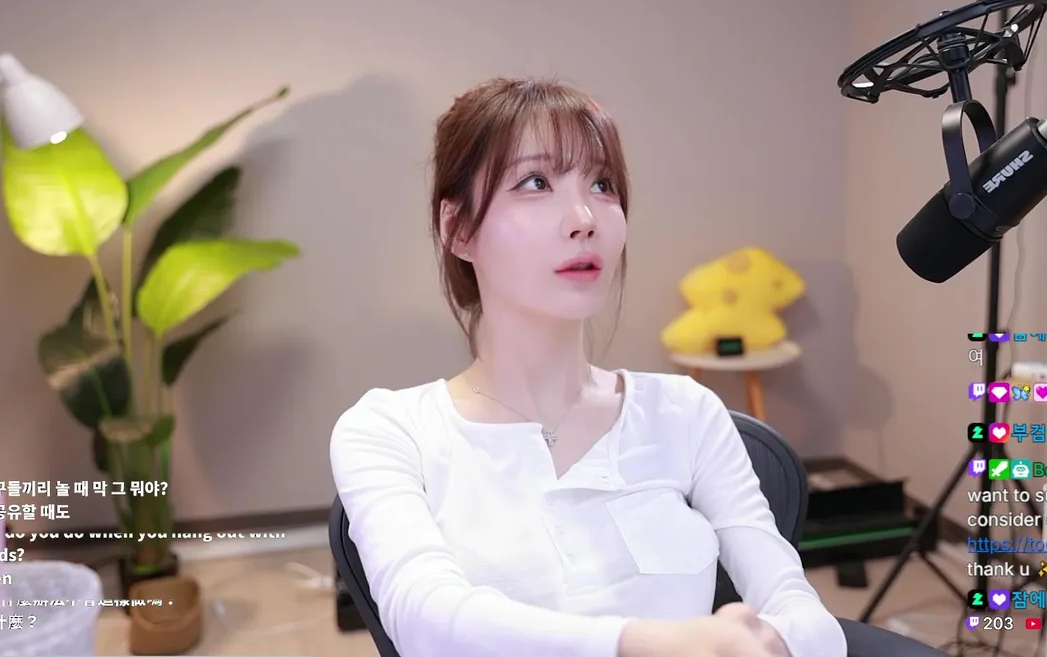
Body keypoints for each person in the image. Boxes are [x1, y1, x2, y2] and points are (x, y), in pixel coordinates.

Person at [330, 78, 847, 657]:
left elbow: (802, 612)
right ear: (458, 229)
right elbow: (424, 619)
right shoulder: (389, 430)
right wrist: (646, 645)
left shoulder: (686, 413)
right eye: (535, 182)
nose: (584, 218)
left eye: (602, 184)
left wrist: (770, 643)